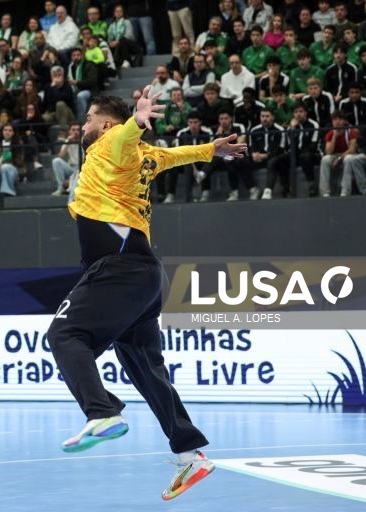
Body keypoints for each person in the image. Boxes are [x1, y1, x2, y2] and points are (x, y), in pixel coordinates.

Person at [46, 88, 246, 500]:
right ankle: (190, 453)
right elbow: (174, 156)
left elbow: (123, 137)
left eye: (87, 120)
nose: (83, 127)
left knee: (64, 336)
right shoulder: (144, 156)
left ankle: (101, 412)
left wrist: (136, 120)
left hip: (117, 269)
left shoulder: (108, 145)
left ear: (103, 125)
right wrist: (211, 149)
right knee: (146, 371)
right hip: (145, 275)